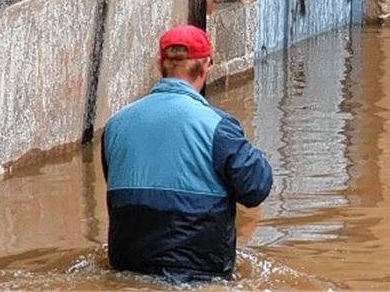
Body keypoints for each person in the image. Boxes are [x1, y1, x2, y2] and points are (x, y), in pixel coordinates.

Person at [101, 24, 273, 283]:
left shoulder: (115, 124)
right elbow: (255, 189)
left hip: (128, 262)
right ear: (205, 65)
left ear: (160, 64)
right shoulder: (219, 127)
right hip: (200, 271)